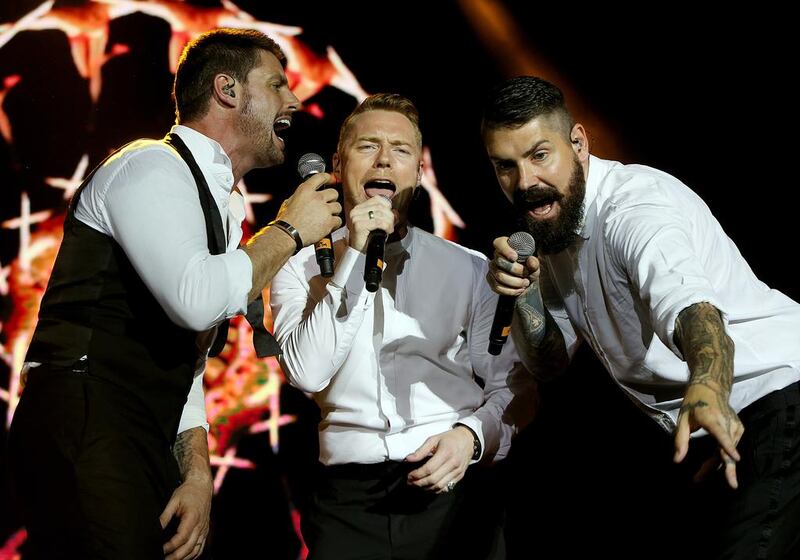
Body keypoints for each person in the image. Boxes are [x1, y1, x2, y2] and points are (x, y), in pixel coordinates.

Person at [8, 28, 341, 559]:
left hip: (136, 429)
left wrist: (196, 474)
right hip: (85, 414)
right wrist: (289, 230)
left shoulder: (216, 206)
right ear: (227, 91)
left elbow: (185, 350)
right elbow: (196, 300)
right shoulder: (149, 167)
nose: (294, 100)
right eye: (277, 84)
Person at [482, 75, 800, 559]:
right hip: (723, 429)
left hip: (778, 396)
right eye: (506, 166)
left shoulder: (635, 208)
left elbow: (695, 312)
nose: (524, 183)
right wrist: (525, 296)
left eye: (539, 155)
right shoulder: (553, 238)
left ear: (579, 143)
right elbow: (550, 365)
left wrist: (709, 390)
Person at [270, 93, 533, 560]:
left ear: (419, 171)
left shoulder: (469, 269)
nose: (385, 159)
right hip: (347, 504)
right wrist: (353, 253)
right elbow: (307, 373)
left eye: (401, 150)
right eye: (367, 146)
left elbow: (512, 384)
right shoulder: (298, 266)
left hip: (452, 494)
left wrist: (470, 438)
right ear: (338, 163)